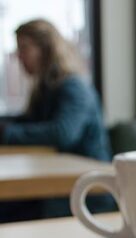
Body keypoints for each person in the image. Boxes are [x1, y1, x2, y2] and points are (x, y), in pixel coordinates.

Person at [0, 18, 113, 222]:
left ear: (45, 48)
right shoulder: (45, 90)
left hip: (87, 192)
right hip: (55, 187)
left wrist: (6, 133)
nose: (19, 55)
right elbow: (28, 123)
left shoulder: (73, 87)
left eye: (24, 47)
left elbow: (62, 133)